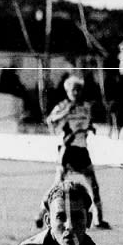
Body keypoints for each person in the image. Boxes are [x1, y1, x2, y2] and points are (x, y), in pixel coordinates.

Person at [34, 75, 111, 230]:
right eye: (73, 90)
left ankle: (99, 220)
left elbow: (87, 122)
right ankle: (41, 214)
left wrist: (90, 128)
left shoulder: (85, 107)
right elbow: (50, 121)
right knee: (57, 186)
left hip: (82, 151)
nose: (75, 93)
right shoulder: (62, 106)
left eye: (78, 90)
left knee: (94, 186)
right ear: (67, 91)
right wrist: (66, 113)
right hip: (67, 152)